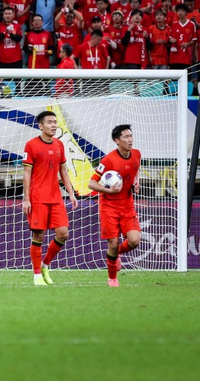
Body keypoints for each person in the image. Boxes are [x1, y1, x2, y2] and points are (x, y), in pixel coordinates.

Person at [22, 111, 78, 286]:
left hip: (56, 197)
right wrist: (26, 198)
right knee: (38, 235)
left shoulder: (59, 144)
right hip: (37, 197)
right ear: (41, 126)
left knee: (63, 233)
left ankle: (45, 265)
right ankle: (37, 275)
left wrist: (71, 193)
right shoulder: (31, 145)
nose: (54, 125)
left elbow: (63, 171)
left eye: (55, 122)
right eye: (50, 122)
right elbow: (26, 173)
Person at [88, 125, 141, 287]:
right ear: (117, 141)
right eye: (126, 137)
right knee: (113, 243)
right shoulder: (108, 160)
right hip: (109, 207)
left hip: (127, 206)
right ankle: (112, 278)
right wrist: (108, 190)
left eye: (131, 136)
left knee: (134, 241)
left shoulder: (137, 154)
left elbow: (136, 167)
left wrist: (136, 181)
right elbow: (91, 183)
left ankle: (116, 254)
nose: (130, 139)